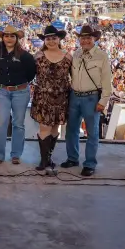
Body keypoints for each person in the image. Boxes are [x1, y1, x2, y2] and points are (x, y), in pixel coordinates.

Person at [61, 25, 113, 176]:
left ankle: (90, 163)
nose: (85, 41)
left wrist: (103, 101)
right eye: (82, 38)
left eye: (88, 38)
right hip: (74, 95)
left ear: (94, 39)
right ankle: (72, 158)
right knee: (71, 131)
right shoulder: (76, 53)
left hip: (92, 98)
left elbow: (107, 81)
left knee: (92, 133)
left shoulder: (102, 56)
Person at [0, 24, 36, 164]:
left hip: (21, 92)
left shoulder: (25, 56)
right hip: (2, 91)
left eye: (12, 36)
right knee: (1, 123)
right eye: (6, 36)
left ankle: (16, 154)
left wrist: (19, 83)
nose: (9, 38)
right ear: (3, 38)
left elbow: (31, 74)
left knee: (18, 123)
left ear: (17, 38)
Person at [30, 25, 71, 171]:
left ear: (59, 39)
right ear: (44, 40)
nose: (51, 41)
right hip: (43, 98)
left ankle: (49, 157)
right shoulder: (37, 56)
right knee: (44, 128)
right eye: (48, 38)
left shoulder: (68, 57)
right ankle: (44, 160)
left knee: (55, 128)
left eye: (54, 38)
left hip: (62, 98)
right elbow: (28, 74)